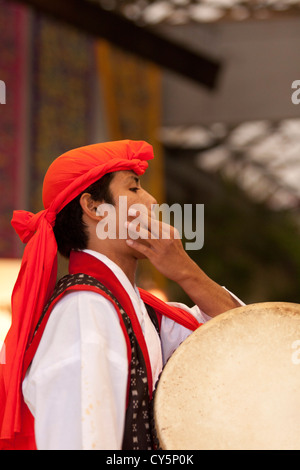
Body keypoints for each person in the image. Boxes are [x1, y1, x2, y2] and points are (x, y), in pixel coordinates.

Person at [0, 140, 242, 450]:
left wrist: (186, 272)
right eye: (135, 188)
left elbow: (241, 334)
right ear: (94, 207)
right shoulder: (85, 310)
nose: (153, 202)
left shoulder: (140, 311)